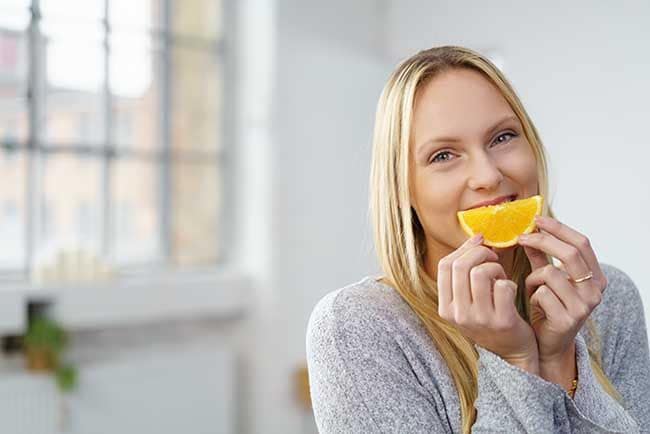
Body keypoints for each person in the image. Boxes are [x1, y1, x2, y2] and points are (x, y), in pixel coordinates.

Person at [306, 46, 650, 433]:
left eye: (503, 137)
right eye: (443, 156)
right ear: (403, 189)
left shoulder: (607, 299)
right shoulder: (358, 327)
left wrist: (558, 360)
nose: (487, 174)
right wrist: (516, 361)